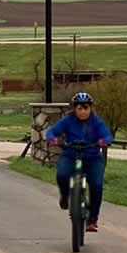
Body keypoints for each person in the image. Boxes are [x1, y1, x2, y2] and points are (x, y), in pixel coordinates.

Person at [46, 92, 113, 232]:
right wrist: (52, 139)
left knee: (97, 185)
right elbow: (52, 131)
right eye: (79, 108)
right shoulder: (68, 120)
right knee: (62, 175)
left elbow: (107, 134)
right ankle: (65, 196)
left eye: (86, 108)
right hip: (71, 155)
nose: (83, 112)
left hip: (92, 158)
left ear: (91, 108)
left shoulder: (96, 122)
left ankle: (92, 219)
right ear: (74, 109)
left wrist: (104, 140)